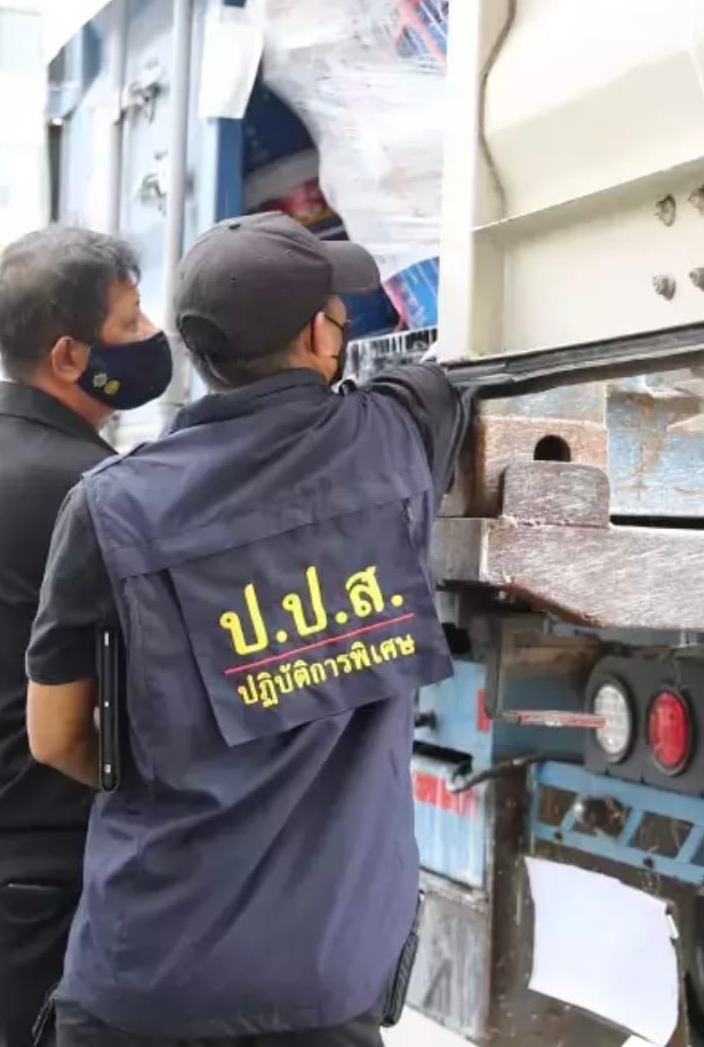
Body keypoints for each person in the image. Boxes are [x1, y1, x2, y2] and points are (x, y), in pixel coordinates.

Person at [27, 212, 467, 1047]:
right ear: (318, 334)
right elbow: (437, 379)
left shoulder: (108, 505)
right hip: (321, 992)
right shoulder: (394, 441)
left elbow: (55, 739)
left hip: (148, 980)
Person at [0, 227, 171, 1047]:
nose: (151, 334)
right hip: (40, 887)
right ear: (68, 356)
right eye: (129, 322)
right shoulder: (85, 491)